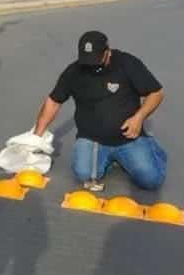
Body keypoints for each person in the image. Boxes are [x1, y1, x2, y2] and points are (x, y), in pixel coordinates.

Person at [30, 31, 167, 191]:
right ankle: (112, 159)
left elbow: (156, 93)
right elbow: (53, 101)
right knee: (83, 175)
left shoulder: (127, 63)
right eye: (86, 60)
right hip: (93, 139)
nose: (91, 65)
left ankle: (149, 146)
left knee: (151, 180)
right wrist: (36, 138)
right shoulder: (74, 71)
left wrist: (139, 117)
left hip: (128, 138)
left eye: (95, 60)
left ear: (107, 52)